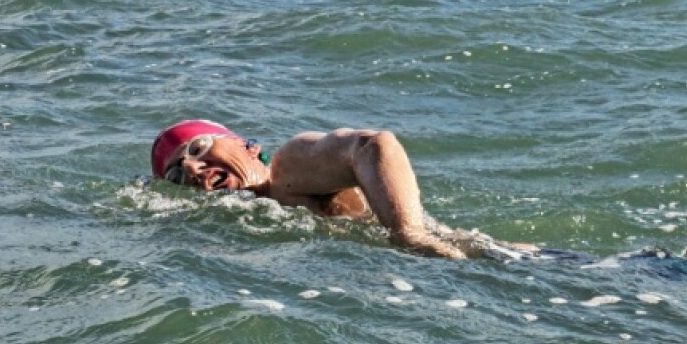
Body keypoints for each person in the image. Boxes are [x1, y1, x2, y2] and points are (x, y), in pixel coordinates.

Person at [150, 119, 468, 258]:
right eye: (176, 174)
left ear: (249, 148)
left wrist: (409, 235)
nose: (191, 168)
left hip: (471, 264)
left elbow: (372, 145)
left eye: (198, 148)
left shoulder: (288, 171)